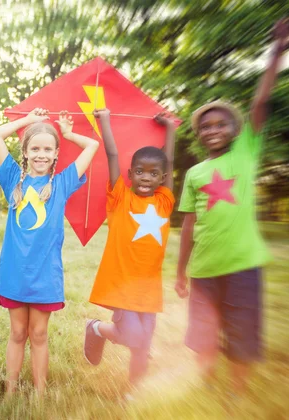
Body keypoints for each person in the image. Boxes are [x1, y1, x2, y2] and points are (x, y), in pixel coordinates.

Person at [175, 19, 289, 395]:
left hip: (243, 264)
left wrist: (276, 51)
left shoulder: (246, 153)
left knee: (242, 327)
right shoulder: (195, 172)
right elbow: (189, 226)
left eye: (220, 124)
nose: (212, 130)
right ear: (199, 134)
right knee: (203, 329)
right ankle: (206, 379)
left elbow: (260, 101)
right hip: (205, 268)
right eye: (205, 126)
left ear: (235, 130)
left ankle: (237, 390)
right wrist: (181, 271)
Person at [0, 108, 99, 395]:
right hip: (15, 273)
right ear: (24, 152)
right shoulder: (13, 177)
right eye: (34, 148)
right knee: (17, 333)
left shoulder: (62, 183)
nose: (41, 154)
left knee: (38, 334)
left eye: (47, 149)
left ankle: (40, 395)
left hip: (44, 275)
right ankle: (10, 391)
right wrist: (29, 121)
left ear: (55, 154)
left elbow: (92, 146)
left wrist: (66, 133)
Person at [84, 109, 176, 397]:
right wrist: (105, 120)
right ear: (130, 174)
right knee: (134, 337)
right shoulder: (121, 197)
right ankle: (97, 328)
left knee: (143, 344)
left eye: (153, 173)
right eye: (139, 171)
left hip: (149, 288)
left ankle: (132, 394)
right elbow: (112, 155)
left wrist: (170, 129)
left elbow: (170, 162)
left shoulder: (164, 201)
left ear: (162, 177)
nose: (146, 177)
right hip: (122, 283)